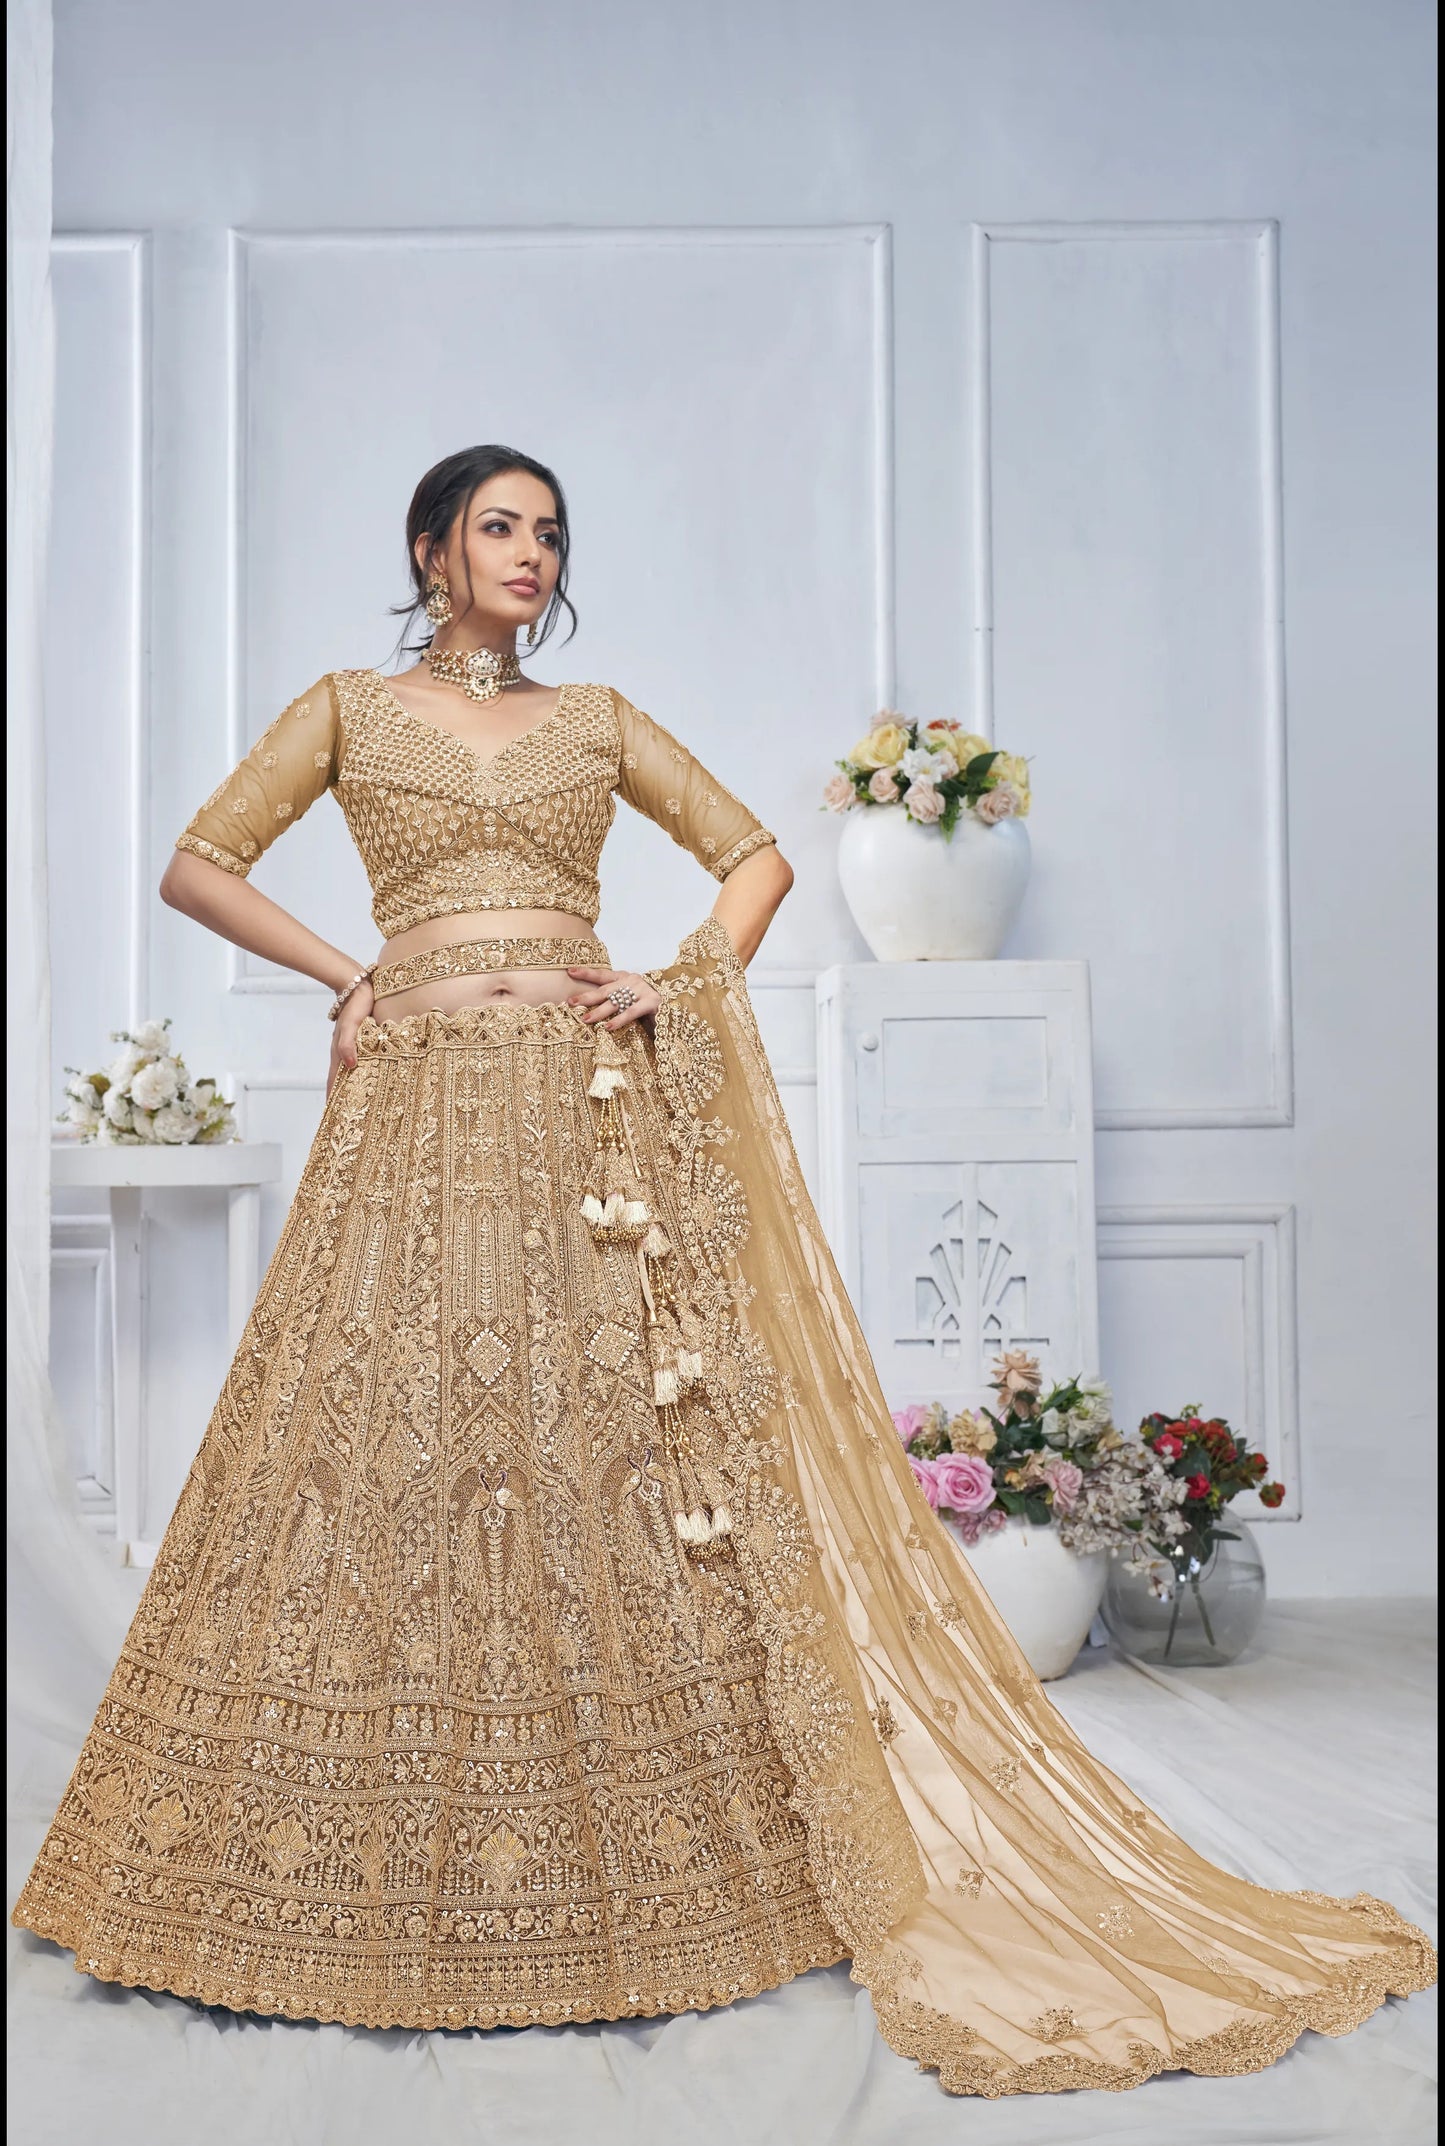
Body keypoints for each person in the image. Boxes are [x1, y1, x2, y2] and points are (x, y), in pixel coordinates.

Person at [12, 445, 1433, 2096]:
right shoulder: (344, 707)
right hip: (413, 1110)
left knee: (603, 1448)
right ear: (427, 546)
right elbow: (198, 863)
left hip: (582, 1112)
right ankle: (346, 1857)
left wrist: (674, 981)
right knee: (382, 1446)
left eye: (550, 533)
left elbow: (753, 858)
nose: (530, 554)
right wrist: (358, 976)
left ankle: (669, 1869)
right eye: (498, 526)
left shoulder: (598, 717)